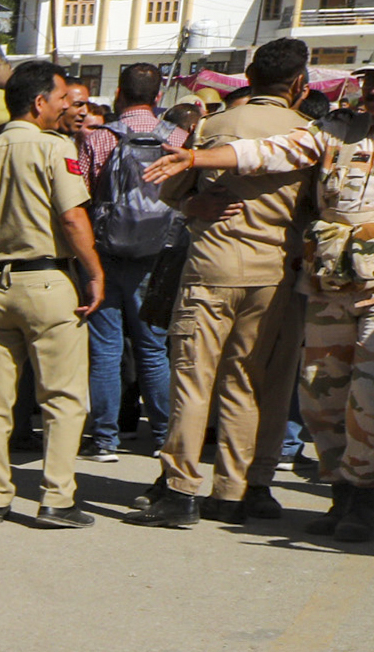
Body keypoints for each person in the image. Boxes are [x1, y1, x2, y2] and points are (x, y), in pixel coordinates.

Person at [146, 35, 374, 543]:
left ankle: (361, 499)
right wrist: (195, 161)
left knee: (369, 392)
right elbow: (268, 152)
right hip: (329, 283)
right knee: (321, 394)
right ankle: (339, 490)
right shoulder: (334, 130)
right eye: (370, 79)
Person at [130, 37, 318, 529]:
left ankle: (180, 488)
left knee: (193, 379)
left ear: (249, 79)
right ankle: (241, 488)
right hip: (275, 273)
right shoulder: (308, 133)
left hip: (212, 266)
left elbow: (173, 192)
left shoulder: (213, 127)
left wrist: (194, 207)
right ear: (299, 84)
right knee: (254, 383)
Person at [0, 60, 105, 523]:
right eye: (61, 97)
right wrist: (94, 272)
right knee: (62, 397)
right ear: (38, 102)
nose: (68, 105)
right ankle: (56, 498)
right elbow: (72, 216)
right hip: (47, 281)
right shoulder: (53, 149)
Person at [79, 63, 186, 459]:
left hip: (106, 253)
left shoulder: (99, 139)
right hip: (158, 255)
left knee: (106, 348)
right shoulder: (177, 136)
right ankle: (163, 436)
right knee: (154, 349)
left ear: (119, 95)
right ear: (158, 97)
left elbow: (86, 195)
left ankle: (105, 438)